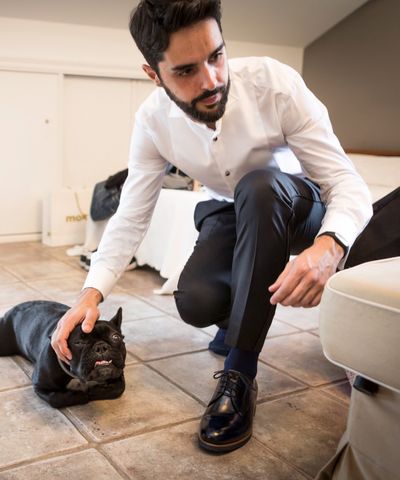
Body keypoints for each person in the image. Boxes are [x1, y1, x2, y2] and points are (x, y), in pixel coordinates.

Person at [51, 0, 373, 454]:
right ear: (153, 74)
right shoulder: (151, 123)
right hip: (229, 209)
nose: (211, 81)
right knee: (195, 301)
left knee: (260, 187)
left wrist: (329, 246)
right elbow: (133, 212)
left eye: (216, 56)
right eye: (185, 71)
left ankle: (239, 377)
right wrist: (91, 292)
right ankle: (235, 316)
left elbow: (345, 181)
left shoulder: (273, 83)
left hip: (296, 203)